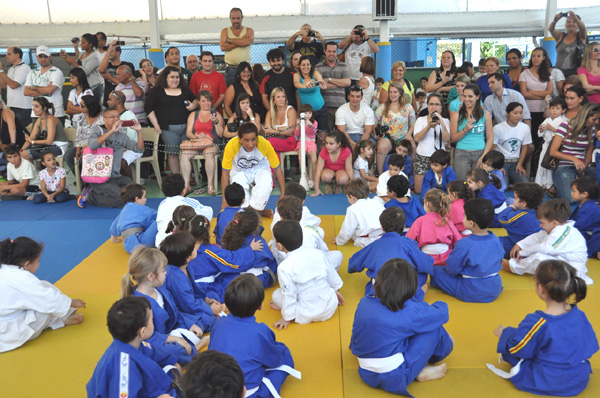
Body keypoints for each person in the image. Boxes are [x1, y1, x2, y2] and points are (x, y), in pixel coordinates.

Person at [490, 260, 598, 396]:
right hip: (577, 378)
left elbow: (519, 349)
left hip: (548, 381)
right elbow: (590, 345)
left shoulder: (538, 322)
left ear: (540, 288)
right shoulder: (579, 315)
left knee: (509, 343)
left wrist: (505, 335)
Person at [350, 258, 453, 396]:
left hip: (365, 372)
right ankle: (423, 365)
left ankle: (417, 369)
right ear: (410, 288)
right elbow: (442, 314)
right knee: (434, 328)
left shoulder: (364, 302)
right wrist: (433, 303)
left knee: (395, 330)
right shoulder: (409, 311)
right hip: (395, 377)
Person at [209, 274, 299, 396]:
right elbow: (274, 361)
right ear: (260, 305)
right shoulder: (260, 331)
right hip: (247, 391)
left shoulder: (218, 324)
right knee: (285, 355)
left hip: (215, 387)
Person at [123, 247, 207, 364]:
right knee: (175, 350)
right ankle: (194, 347)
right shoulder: (139, 304)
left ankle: (188, 346)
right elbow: (146, 335)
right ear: (151, 276)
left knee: (201, 321)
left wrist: (190, 324)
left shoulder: (159, 288)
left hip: (171, 327)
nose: (165, 272)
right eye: (163, 270)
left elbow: (175, 312)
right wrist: (172, 339)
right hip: (155, 339)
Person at [0, 237, 85, 353]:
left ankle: (62, 316)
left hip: (7, 324)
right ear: (27, 264)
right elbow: (47, 299)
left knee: (43, 288)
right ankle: (63, 319)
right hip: (12, 333)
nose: (39, 264)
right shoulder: (22, 278)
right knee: (45, 302)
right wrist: (71, 302)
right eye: (38, 261)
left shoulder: (5, 272)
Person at [86, 296, 178, 398]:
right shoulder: (124, 366)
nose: (153, 323)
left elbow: (159, 354)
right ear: (143, 332)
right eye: (152, 320)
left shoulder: (132, 342)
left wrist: (174, 362)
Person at [270, 219, 344, 329]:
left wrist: (286, 318)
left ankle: (288, 312)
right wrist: (336, 290)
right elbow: (331, 275)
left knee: (276, 295)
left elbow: (289, 293)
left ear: (280, 246)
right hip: (329, 306)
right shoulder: (318, 254)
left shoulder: (284, 267)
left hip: (305, 312)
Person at [349, 206, 433, 296]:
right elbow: (427, 263)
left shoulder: (375, 245)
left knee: (374, 280)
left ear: (381, 226)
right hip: (403, 287)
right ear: (403, 226)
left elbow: (353, 263)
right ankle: (415, 293)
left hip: (381, 288)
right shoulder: (408, 244)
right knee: (422, 274)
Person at [431, 198, 504, 303]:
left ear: (471, 223)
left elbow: (452, 269)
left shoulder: (464, 244)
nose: (462, 218)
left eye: (464, 216)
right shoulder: (495, 239)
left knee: (436, 271)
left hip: (470, 291)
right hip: (494, 287)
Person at [504, 199, 592, 284]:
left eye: (542, 222)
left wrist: (523, 253)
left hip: (571, 273)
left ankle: (513, 267)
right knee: (536, 250)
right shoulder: (558, 227)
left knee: (538, 257)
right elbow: (538, 237)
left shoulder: (564, 232)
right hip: (562, 264)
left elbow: (544, 248)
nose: (540, 225)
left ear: (554, 223)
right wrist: (519, 245)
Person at [186, 213, 262, 303]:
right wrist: (250, 249)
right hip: (204, 288)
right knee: (235, 278)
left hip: (186, 287)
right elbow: (232, 261)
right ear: (207, 232)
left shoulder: (184, 246)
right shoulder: (209, 251)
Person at [77, 108, 144, 208]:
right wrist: (111, 131)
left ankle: (97, 193)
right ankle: (91, 195)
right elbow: (92, 145)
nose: (116, 119)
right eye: (112, 117)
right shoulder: (97, 130)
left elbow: (139, 150)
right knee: (121, 201)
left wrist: (139, 131)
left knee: (137, 193)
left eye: (118, 116)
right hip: (99, 176)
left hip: (116, 176)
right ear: (104, 119)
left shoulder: (122, 136)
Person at [221, 122, 284, 218]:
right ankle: (259, 211)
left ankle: (251, 210)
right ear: (240, 139)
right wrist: (224, 201)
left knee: (266, 184)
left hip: (260, 167)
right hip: (239, 169)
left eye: (253, 140)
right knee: (238, 189)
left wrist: (283, 194)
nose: (250, 144)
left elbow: (277, 169)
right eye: (246, 140)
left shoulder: (264, 144)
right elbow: (225, 174)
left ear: (257, 138)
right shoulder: (231, 145)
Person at [160, 232, 217, 334]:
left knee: (214, 296)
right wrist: (209, 309)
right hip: (178, 311)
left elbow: (195, 289)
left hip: (187, 302)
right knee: (209, 321)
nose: (196, 249)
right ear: (187, 258)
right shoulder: (176, 279)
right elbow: (188, 306)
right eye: (193, 249)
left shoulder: (185, 266)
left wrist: (206, 300)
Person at [145, 66, 197, 175]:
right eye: (172, 77)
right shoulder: (157, 91)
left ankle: (187, 177)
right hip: (168, 129)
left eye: (177, 77)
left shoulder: (184, 89)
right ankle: (177, 177)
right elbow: (148, 107)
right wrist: (156, 124)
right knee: (172, 154)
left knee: (186, 153)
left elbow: (196, 100)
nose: (175, 80)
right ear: (165, 78)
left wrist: (193, 105)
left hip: (186, 129)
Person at [271, 195, 340, 268]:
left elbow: (278, 255)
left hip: (292, 269)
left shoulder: (278, 233)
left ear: (281, 217)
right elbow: (323, 250)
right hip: (314, 266)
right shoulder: (310, 231)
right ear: (301, 213)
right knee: (337, 255)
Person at [549, 102, 599, 200]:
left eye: (598, 119)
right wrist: (574, 159)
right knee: (572, 199)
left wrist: (582, 169)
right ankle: (557, 186)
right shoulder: (565, 125)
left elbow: (589, 154)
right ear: (585, 117)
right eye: (594, 119)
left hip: (582, 166)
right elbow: (553, 152)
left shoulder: (592, 129)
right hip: (564, 166)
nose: (596, 122)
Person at [220, 208, 277, 289]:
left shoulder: (228, 237)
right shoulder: (258, 242)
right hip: (256, 279)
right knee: (273, 264)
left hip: (235, 277)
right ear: (256, 227)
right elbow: (269, 258)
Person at [180, 90, 223, 195]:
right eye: (203, 101)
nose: (206, 103)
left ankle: (210, 185)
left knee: (207, 154)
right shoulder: (193, 115)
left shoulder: (216, 114)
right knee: (184, 155)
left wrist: (216, 122)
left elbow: (221, 134)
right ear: (198, 102)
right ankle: (186, 184)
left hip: (213, 143)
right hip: (198, 142)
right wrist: (196, 136)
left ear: (211, 102)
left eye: (208, 101)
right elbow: (189, 132)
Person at [155, 173, 213, 247]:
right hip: (184, 246)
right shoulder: (188, 201)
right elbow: (208, 213)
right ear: (183, 190)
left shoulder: (162, 204)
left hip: (161, 244)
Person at [407, 188, 462, 266]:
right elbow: (458, 240)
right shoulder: (447, 220)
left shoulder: (420, 221)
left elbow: (409, 241)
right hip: (446, 259)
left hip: (424, 260)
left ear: (427, 203)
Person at [450, 84, 494, 180]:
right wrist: (465, 129)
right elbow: (453, 139)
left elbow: (490, 138)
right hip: (461, 153)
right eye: (464, 96)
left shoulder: (486, 114)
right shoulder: (456, 115)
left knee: (479, 184)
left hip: (480, 153)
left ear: (477, 97)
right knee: (463, 184)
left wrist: (484, 156)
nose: (466, 99)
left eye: (470, 96)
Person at [520, 47, 554, 164]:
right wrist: (542, 96)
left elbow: (550, 92)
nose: (535, 58)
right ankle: (528, 165)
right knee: (530, 139)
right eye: (533, 56)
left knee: (541, 140)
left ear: (543, 58)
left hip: (544, 112)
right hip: (528, 112)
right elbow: (524, 94)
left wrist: (532, 91)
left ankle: (537, 165)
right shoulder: (525, 74)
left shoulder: (548, 74)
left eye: (538, 56)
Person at [412, 93, 450, 193]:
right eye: (431, 104)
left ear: (441, 107)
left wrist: (441, 121)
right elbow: (416, 138)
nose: (434, 107)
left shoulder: (445, 121)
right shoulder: (421, 120)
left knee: (438, 189)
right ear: (427, 106)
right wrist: (428, 126)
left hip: (439, 159)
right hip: (422, 157)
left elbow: (446, 138)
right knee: (419, 190)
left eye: (437, 104)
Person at [374, 81, 415, 174]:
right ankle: (380, 174)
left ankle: (411, 173)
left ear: (400, 93)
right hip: (387, 136)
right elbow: (375, 123)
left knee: (412, 146)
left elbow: (413, 124)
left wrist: (408, 135)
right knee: (381, 147)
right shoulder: (383, 106)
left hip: (403, 136)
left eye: (395, 92)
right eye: (391, 92)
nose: (392, 94)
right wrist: (376, 134)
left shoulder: (408, 107)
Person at [498, 182, 545, 258]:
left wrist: (511, 207)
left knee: (493, 242)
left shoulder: (520, 215)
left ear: (523, 203)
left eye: (515, 198)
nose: (513, 200)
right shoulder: (540, 213)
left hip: (518, 247)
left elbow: (502, 219)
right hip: (535, 247)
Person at [492, 102, 534, 185]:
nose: (518, 116)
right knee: (502, 186)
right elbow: (492, 147)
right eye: (515, 113)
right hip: (501, 162)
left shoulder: (525, 128)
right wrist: (497, 166)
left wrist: (520, 164)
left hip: (516, 162)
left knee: (525, 185)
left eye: (520, 113)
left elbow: (524, 147)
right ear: (507, 114)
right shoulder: (498, 128)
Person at [335, 178, 385, 247]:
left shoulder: (353, 209)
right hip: (383, 236)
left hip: (366, 241)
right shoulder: (377, 202)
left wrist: (339, 241)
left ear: (351, 197)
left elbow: (347, 229)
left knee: (352, 232)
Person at [110, 183, 157, 253]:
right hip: (142, 244)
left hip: (128, 247)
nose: (146, 199)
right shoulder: (142, 209)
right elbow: (159, 214)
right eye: (144, 197)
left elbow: (114, 228)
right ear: (137, 199)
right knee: (159, 220)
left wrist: (114, 238)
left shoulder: (124, 210)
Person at [24, 46, 66, 124]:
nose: (43, 59)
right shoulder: (32, 72)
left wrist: (34, 87)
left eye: (45, 56)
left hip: (55, 113)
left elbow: (50, 90)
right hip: (36, 113)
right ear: (37, 57)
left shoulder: (57, 72)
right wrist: (46, 89)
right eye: (40, 56)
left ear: (50, 57)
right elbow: (26, 92)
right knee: (36, 136)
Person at [315, 41, 352, 131]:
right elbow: (320, 85)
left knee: (341, 133)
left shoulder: (343, 66)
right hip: (325, 107)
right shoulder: (318, 67)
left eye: (334, 51)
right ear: (325, 51)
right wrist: (339, 84)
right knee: (327, 134)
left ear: (337, 52)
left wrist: (329, 80)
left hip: (341, 106)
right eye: (329, 51)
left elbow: (347, 82)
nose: (332, 53)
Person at [20, 97, 68, 161]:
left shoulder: (51, 119)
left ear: (44, 108)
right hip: (48, 147)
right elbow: (31, 138)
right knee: (23, 153)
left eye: (36, 106)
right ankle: (37, 170)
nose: (33, 109)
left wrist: (32, 142)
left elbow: (49, 141)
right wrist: (21, 150)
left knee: (27, 153)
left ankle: (38, 170)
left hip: (59, 147)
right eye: (33, 106)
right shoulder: (38, 120)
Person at [63, 95, 103, 174]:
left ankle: (91, 179)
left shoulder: (102, 118)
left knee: (88, 154)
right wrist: (78, 149)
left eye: (82, 106)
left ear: (90, 107)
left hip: (98, 145)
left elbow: (102, 137)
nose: (80, 108)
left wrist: (87, 147)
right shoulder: (81, 117)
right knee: (69, 155)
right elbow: (79, 135)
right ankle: (82, 180)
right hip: (82, 144)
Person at [536, 97, 568, 193]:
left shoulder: (564, 121)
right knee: (541, 164)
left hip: (555, 147)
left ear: (563, 110)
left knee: (550, 166)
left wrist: (551, 128)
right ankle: (540, 184)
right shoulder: (547, 120)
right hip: (545, 145)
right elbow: (540, 133)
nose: (554, 111)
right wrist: (541, 130)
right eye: (553, 108)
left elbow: (564, 135)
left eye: (557, 109)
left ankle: (550, 185)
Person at [60, 33, 103, 100]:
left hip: (94, 88)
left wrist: (73, 61)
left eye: (83, 42)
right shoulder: (83, 53)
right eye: (81, 42)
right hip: (85, 88)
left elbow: (84, 72)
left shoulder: (94, 57)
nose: (81, 44)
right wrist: (66, 57)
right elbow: (76, 66)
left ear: (90, 44)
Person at [263, 87, 298, 170]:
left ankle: (274, 176)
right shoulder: (270, 112)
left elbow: (290, 132)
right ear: (273, 100)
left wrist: (274, 130)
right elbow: (267, 132)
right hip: (276, 142)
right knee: (273, 149)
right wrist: (283, 129)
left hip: (289, 141)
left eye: (283, 97)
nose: (281, 99)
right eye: (278, 97)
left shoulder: (290, 110)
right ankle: (277, 176)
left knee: (269, 143)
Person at [311, 130, 353, 196]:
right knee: (326, 177)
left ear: (338, 144)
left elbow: (349, 170)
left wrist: (353, 190)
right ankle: (329, 184)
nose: (328, 146)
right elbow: (318, 171)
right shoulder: (324, 151)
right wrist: (316, 189)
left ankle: (338, 185)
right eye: (326, 143)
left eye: (331, 144)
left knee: (342, 179)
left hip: (341, 171)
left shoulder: (346, 151)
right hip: (328, 171)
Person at [220, 8, 254, 86]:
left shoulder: (249, 30)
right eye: (233, 18)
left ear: (242, 18)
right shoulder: (225, 31)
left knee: (247, 91)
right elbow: (223, 47)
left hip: (245, 69)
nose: (236, 21)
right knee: (230, 92)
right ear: (230, 18)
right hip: (231, 68)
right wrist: (241, 42)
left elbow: (248, 41)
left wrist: (230, 40)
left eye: (238, 18)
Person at [549, 10, 588, 77]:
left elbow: (583, 28)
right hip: (559, 72)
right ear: (565, 24)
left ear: (578, 24)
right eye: (568, 22)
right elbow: (551, 29)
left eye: (574, 22)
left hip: (575, 73)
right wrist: (555, 21)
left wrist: (575, 17)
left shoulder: (581, 36)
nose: (571, 23)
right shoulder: (560, 36)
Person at [0, 46, 32, 128]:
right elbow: (3, 85)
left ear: (17, 55)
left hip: (22, 107)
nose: (6, 56)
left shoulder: (24, 68)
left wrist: (1, 70)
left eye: (9, 54)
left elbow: (14, 85)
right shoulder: (11, 69)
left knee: (23, 132)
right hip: (12, 106)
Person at [295, 55, 329, 131]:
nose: (306, 67)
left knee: (322, 134)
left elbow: (321, 82)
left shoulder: (315, 73)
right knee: (308, 136)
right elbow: (296, 84)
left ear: (311, 65)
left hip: (321, 110)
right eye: (303, 65)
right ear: (299, 66)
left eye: (308, 64)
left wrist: (322, 84)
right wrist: (305, 85)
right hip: (307, 114)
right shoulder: (296, 75)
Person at [98, 40, 136, 107]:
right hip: (109, 101)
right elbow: (101, 69)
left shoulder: (127, 66)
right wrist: (109, 50)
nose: (109, 53)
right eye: (108, 51)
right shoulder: (107, 65)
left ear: (118, 52)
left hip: (124, 101)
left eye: (111, 51)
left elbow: (127, 85)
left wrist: (110, 77)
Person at [570, 177, 600, 257]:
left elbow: (578, 225)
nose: (571, 193)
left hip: (592, 236)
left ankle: (596, 252)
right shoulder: (585, 205)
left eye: (574, 191)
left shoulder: (589, 207)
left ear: (584, 194)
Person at [294, 104, 319, 188]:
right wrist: (297, 126)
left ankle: (316, 179)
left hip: (311, 142)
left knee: (314, 159)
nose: (308, 115)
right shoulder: (299, 121)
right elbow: (296, 135)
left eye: (309, 113)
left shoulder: (314, 122)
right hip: (301, 142)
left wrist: (309, 124)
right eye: (306, 113)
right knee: (301, 158)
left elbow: (312, 134)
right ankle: (307, 178)